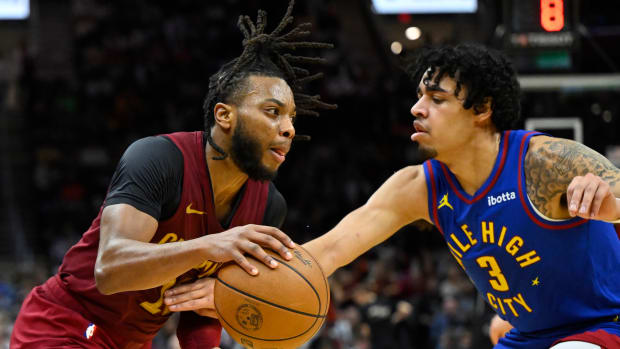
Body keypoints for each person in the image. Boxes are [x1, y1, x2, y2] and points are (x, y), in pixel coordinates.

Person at [161, 44, 620, 349]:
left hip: (601, 328)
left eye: (437, 99)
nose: (417, 108)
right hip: (528, 336)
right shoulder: (417, 187)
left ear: (482, 111)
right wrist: (234, 286)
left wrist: (606, 190)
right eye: (419, 95)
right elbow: (330, 250)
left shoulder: (544, 160)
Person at [10, 1, 334, 348]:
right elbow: (110, 270)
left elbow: (199, 310)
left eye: (292, 118)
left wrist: (218, 301)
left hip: (134, 342)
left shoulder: (269, 208)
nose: (287, 129)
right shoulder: (160, 159)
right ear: (224, 115)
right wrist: (208, 246)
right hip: (65, 325)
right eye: (273, 112)